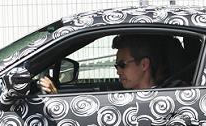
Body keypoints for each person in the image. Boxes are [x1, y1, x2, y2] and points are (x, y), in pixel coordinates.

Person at [40, 35, 178, 94]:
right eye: (116, 66)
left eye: (122, 65)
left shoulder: (160, 98)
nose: (118, 71)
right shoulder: (132, 94)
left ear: (144, 65)